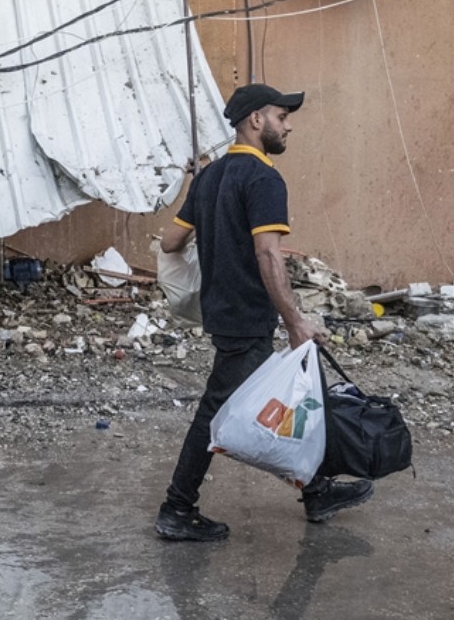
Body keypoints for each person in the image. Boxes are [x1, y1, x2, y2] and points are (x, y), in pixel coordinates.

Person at [155, 85, 373, 542]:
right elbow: (269, 255)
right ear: (256, 120)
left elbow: (172, 242)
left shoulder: (211, 178)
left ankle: (317, 491)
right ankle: (176, 508)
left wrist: (209, 217)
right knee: (216, 413)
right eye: (281, 115)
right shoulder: (263, 178)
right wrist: (296, 321)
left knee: (281, 399)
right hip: (247, 317)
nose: (288, 124)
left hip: (220, 311)